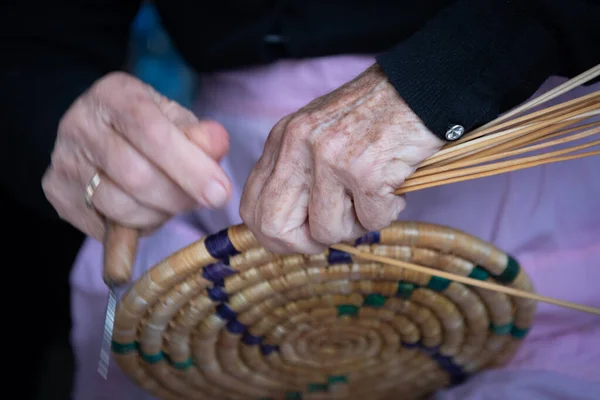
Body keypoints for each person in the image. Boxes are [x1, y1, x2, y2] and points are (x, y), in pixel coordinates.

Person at [1, 0, 599, 399]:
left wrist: (442, 79)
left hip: (538, 170)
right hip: (222, 210)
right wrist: (64, 118)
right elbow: (34, 41)